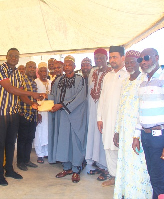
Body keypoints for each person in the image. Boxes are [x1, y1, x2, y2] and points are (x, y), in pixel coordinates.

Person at [0, 48, 45, 186]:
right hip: (1, 112)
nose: (14, 58)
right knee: (0, 144)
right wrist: (32, 94)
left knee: (11, 143)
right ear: (6, 56)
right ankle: (0, 174)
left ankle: (9, 169)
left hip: (14, 112)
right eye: (11, 55)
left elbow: (20, 94)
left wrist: (31, 102)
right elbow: (10, 89)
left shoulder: (17, 72)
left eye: (16, 56)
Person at [132, 48, 164, 199]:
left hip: (160, 137)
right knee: (153, 176)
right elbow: (140, 112)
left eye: (146, 58)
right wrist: (136, 136)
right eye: (140, 59)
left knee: (160, 179)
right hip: (145, 136)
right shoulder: (143, 83)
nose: (142, 62)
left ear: (157, 57)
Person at [113, 50, 152, 199]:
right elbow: (120, 108)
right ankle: (125, 193)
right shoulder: (125, 82)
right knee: (125, 163)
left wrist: (137, 133)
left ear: (138, 62)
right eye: (127, 62)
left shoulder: (143, 80)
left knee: (138, 164)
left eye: (132, 62)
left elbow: (143, 109)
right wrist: (117, 131)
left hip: (137, 131)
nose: (129, 65)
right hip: (123, 131)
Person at [50, 55, 87, 183]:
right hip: (62, 116)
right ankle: (66, 167)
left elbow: (81, 97)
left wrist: (63, 105)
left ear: (74, 67)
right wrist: (46, 101)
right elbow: (53, 95)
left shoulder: (80, 79)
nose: (67, 67)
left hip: (75, 114)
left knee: (76, 142)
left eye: (69, 65)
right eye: (65, 65)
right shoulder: (59, 80)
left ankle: (76, 169)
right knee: (63, 140)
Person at [97, 46, 129, 186]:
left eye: (115, 57)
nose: (112, 60)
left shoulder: (129, 74)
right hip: (106, 118)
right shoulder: (107, 76)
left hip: (121, 120)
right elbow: (102, 98)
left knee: (120, 148)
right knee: (108, 147)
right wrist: (99, 118)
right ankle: (114, 176)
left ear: (123, 57)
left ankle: (124, 179)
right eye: (110, 57)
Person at [85, 48, 112, 179]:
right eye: (97, 58)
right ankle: (96, 163)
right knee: (94, 135)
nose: (99, 60)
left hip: (105, 112)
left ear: (106, 58)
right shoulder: (92, 72)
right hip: (92, 110)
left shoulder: (111, 72)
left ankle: (106, 167)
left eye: (102, 58)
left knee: (103, 137)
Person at [17, 61, 39, 171]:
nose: (32, 69)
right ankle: (20, 162)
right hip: (24, 114)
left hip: (33, 114)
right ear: (25, 68)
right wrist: (31, 103)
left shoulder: (33, 82)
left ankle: (27, 160)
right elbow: (21, 95)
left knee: (30, 139)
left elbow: (34, 98)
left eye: (34, 67)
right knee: (22, 139)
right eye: (30, 67)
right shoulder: (21, 79)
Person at [34, 62, 51, 164]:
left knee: (48, 131)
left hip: (49, 111)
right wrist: (37, 112)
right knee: (39, 132)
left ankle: (47, 152)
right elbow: (34, 98)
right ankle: (39, 154)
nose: (44, 73)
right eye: (42, 71)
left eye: (45, 70)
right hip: (40, 111)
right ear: (38, 72)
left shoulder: (50, 82)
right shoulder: (35, 82)